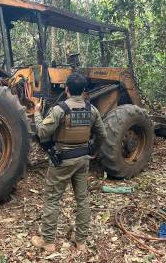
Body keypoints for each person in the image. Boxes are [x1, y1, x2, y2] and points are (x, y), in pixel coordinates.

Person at [31, 72, 107, 252]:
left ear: (66, 90)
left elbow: (42, 132)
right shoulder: (92, 110)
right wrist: (93, 150)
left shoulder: (60, 109)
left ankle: (48, 242)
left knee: (52, 200)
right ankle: (80, 241)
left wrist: (36, 113)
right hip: (83, 160)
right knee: (82, 200)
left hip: (62, 160)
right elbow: (102, 135)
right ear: (84, 91)